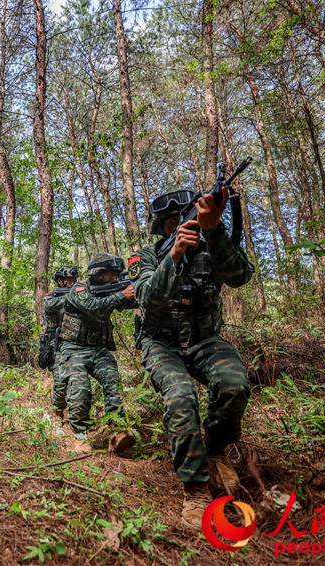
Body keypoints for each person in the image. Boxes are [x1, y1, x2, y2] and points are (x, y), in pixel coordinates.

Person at [129, 187, 253, 528]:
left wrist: (215, 230)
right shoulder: (147, 256)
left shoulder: (213, 246)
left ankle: (214, 451)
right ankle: (196, 490)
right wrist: (174, 256)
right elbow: (147, 298)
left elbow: (241, 276)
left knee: (234, 385)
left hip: (204, 340)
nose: (177, 227)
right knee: (181, 397)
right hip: (161, 344)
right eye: (171, 224)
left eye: (181, 220)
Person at [60, 254, 136, 454]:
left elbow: (128, 303)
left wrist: (139, 292)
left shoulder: (111, 290)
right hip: (74, 348)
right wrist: (122, 295)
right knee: (80, 389)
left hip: (98, 350)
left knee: (113, 382)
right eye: (109, 275)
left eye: (116, 275)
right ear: (97, 274)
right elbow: (92, 307)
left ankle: (116, 429)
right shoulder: (79, 289)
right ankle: (80, 436)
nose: (113, 279)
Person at [42, 266, 78, 420]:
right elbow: (49, 305)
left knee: (77, 380)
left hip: (75, 344)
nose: (72, 283)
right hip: (56, 346)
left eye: (74, 280)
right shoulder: (52, 296)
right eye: (69, 280)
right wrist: (73, 297)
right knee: (60, 381)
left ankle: (77, 415)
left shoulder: (80, 293)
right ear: (60, 282)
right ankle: (58, 413)